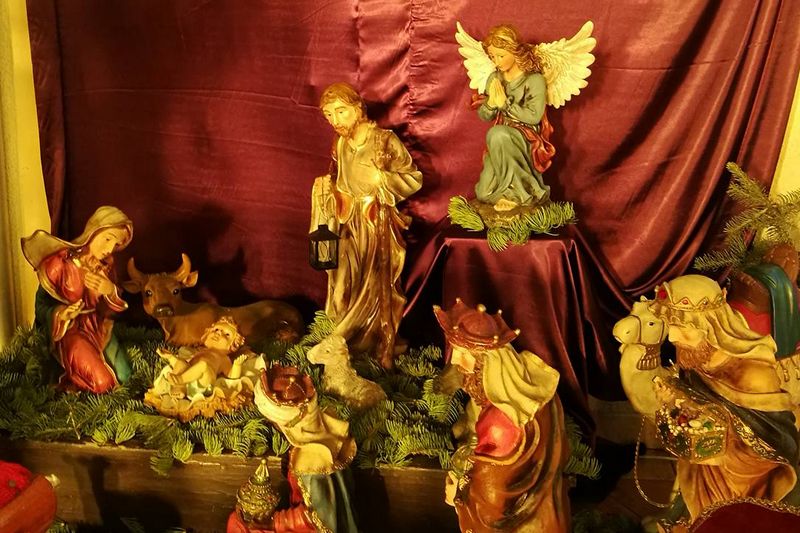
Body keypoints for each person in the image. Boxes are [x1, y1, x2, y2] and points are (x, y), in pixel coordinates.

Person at [648, 275, 800, 525]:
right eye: (670, 325)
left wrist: (722, 456)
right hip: (701, 477)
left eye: (684, 327)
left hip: (743, 488)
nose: (673, 337)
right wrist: (675, 400)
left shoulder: (753, 375)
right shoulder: (695, 359)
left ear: (712, 325)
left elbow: (777, 447)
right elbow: (700, 409)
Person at [434, 299, 571, 533]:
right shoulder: (538, 392)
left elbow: (491, 505)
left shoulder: (498, 421)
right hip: (549, 518)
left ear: (485, 362)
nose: (455, 362)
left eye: (462, 354)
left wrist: (458, 493)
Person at [314, 82, 422, 368]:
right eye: (329, 115)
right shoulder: (340, 144)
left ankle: (378, 340)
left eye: (341, 111)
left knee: (376, 283)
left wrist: (383, 180)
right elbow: (338, 179)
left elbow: (413, 178)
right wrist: (332, 192)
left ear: (358, 109)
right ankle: (344, 340)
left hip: (377, 225)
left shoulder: (383, 141)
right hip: (348, 223)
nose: (335, 120)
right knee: (343, 283)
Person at [226, 364, 358, 533]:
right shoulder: (320, 436)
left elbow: (320, 516)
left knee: (239, 524)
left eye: (273, 421)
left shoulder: (313, 459)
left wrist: (275, 522)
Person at [21, 206, 133, 393]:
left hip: (99, 329)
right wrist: (61, 314)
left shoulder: (106, 268)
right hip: (70, 332)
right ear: (94, 231)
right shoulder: (60, 263)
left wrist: (109, 291)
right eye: (107, 239)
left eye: (116, 244)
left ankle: (79, 378)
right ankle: (70, 381)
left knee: (125, 376)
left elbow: (111, 314)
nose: (109, 249)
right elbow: (41, 305)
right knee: (104, 383)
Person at [474, 25, 555, 211]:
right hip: (500, 139)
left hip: (526, 138)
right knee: (484, 193)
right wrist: (491, 104)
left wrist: (505, 104)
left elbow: (534, 116)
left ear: (514, 51)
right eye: (492, 57)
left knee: (497, 134)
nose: (496, 62)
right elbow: (484, 116)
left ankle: (517, 194)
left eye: (501, 56)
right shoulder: (495, 78)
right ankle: (503, 192)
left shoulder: (534, 80)